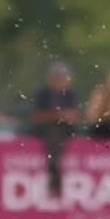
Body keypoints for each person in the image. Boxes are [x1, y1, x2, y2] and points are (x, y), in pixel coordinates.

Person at [30, 60, 79, 197]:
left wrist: (59, 116)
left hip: (64, 129)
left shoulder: (70, 94)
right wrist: (58, 115)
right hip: (47, 129)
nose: (59, 81)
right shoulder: (43, 94)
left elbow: (74, 117)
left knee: (56, 134)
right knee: (54, 133)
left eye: (62, 77)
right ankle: (55, 166)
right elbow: (36, 116)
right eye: (57, 77)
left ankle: (54, 166)